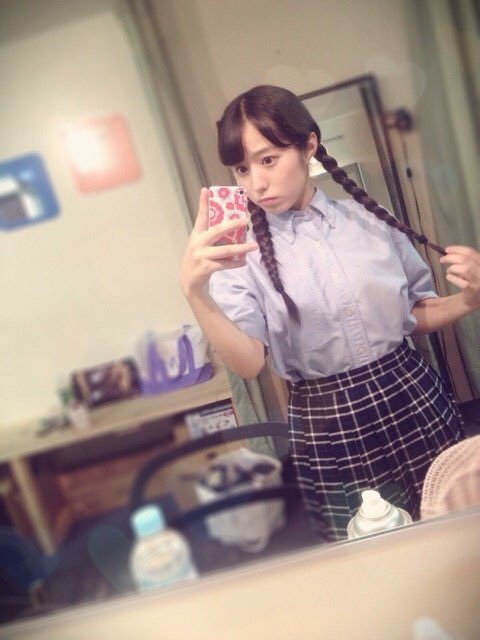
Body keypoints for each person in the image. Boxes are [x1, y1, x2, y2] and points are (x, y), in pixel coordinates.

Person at [180, 85, 480, 541]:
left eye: (268, 159)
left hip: (411, 393)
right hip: (327, 421)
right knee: (364, 549)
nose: (256, 184)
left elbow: (414, 314)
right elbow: (249, 363)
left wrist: (469, 301)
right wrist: (196, 293)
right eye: (241, 168)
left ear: (309, 146)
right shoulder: (240, 254)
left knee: (453, 526)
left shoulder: (369, 220)